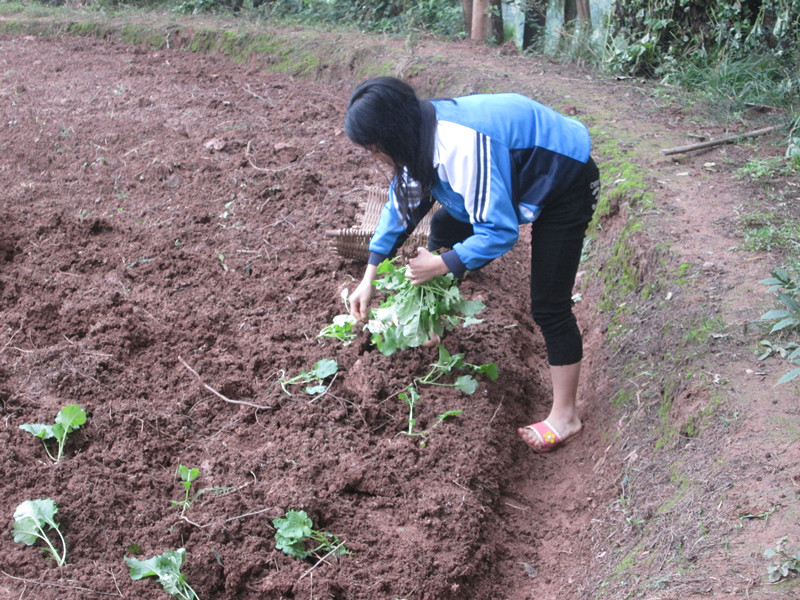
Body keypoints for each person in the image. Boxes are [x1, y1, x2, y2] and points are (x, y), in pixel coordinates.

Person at [343, 77, 600, 453]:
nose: (375, 157)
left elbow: (499, 232)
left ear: (392, 137)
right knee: (446, 225)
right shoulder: (418, 133)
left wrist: (441, 264)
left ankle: (565, 416)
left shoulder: (460, 146)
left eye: (373, 149)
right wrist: (369, 276)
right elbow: (401, 208)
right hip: (519, 168)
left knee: (549, 305)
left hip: (565, 177)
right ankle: (430, 321)